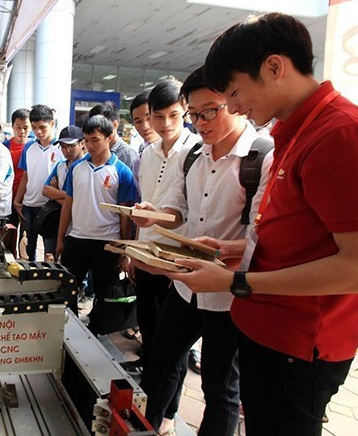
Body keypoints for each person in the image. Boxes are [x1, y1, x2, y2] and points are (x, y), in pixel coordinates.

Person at [159, 12, 358, 436]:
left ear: (273, 67)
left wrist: (238, 282)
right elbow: (305, 236)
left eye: (233, 92)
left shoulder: (345, 134)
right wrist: (241, 251)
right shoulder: (295, 134)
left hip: (299, 345)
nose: (232, 107)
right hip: (268, 331)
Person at [131, 66, 274, 436]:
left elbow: (269, 237)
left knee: (220, 388)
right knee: (159, 362)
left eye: (210, 111)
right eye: (194, 114)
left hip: (228, 294)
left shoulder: (262, 157)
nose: (201, 122)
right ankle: (142, 426)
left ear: (235, 100)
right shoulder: (195, 153)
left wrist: (228, 247)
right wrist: (155, 216)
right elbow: (178, 208)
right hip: (186, 284)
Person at [132, 80, 200, 381]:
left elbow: (187, 213)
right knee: (148, 328)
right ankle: (148, 393)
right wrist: (135, 249)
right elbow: (145, 203)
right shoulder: (148, 153)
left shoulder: (197, 151)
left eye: (173, 115)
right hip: (146, 254)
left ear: (185, 110)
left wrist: (155, 219)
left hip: (175, 260)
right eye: (157, 116)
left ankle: (167, 411)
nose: (164, 123)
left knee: (173, 344)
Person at [56, 115, 135, 320]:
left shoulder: (122, 171)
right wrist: (60, 239)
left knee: (103, 293)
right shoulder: (76, 168)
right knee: (68, 288)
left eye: (95, 140)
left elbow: (125, 214)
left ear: (109, 138)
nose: (89, 145)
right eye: (86, 140)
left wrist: (123, 250)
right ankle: (70, 328)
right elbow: (68, 204)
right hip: (77, 238)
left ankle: (98, 330)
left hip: (107, 243)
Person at [14, 104, 62, 261]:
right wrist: (17, 201)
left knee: (50, 254)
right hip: (29, 206)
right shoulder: (28, 148)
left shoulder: (62, 148)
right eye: (34, 127)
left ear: (52, 124)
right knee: (26, 252)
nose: (38, 132)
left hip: (52, 208)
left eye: (42, 127)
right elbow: (26, 177)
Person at [42, 125, 85, 261]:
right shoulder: (61, 166)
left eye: (71, 146)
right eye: (63, 146)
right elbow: (45, 190)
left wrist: (57, 194)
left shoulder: (86, 167)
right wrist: (68, 197)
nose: (67, 150)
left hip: (79, 225)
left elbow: (81, 200)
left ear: (82, 143)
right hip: (58, 220)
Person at [4, 108, 34, 254]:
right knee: (8, 236)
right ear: (12, 126)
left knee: (27, 240)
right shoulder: (4, 147)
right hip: (8, 198)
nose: (22, 131)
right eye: (18, 127)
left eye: (26, 127)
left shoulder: (34, 147)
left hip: (27, 200)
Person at [89, 101, 139, 180]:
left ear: (115, 125)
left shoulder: (128, 154)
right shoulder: (91, 152)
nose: (95, 132)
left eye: (99, 126)